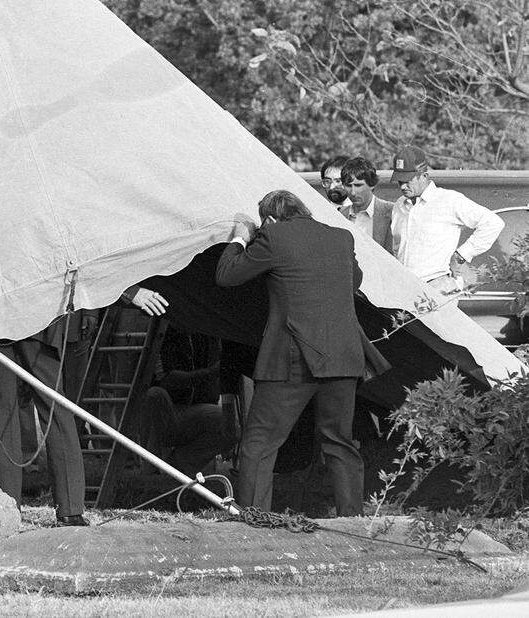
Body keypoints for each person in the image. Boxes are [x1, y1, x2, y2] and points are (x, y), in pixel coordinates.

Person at [215, 190, 386, 517]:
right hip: (344, 355)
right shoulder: (341, 237)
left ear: (270, 219)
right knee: (340, 442)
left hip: (293, 358)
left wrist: (240, 238)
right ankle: (352, 522)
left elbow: (227, 275)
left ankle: (254, 520)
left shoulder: (274, 235)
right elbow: (354, 282)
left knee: (259, 443)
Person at [0, 327, 88, 526]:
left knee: (51, 408)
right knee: (7, 413)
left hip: (20, 325)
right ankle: (11, 508)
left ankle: (12, 509)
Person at [390, 145, 504, 297]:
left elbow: (493, 223)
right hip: (403, 289)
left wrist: (461, 255)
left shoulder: (448, 200)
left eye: (407, 181)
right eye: (399, 181)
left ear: (424, 176)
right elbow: (397, 248)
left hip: (438, 286)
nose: (403, 186)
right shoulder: (399, 205)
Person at [140, 329, 233, 477]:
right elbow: (167, 379)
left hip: (195, 409)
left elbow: (221, 373)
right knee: (155, 394)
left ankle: (175, 467)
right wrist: (210, 373)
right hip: (170, 409)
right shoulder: (163, 334)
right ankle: (150, 466)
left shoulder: (208, 334)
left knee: (230, 423)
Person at [340, 157, 393, 253]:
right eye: (348, 185)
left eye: (358, 185)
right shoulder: (340, 214)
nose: (353, 192)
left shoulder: (392, 212)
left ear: (372, 184)